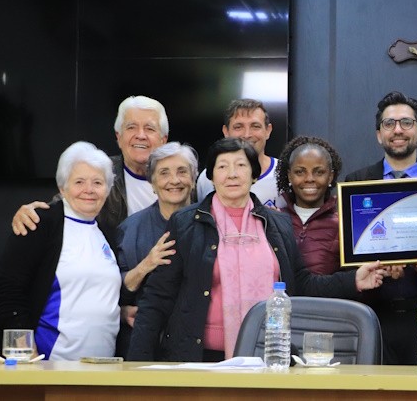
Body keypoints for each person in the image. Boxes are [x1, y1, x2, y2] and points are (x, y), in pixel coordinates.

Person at [127, 137, 384, 362]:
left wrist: (354, 280)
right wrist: (137, 365)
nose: (232, 174)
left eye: (241, 165)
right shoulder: (185, 223)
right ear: (211, 176)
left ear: (254, 175)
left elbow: (302, 284)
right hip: (201, 358)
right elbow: (158, 297)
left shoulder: (278, 223)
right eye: (222, 167)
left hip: (269, 355)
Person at [0, 141, 120, 360]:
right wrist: (24, 347)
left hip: (102, 365)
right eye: (79, 182)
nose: (89, 190)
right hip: (49, 363)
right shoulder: (39, 223)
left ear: (107, 190)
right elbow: (7, 288)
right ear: (62, 187)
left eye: (98, 182)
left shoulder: (107, 233)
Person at [343, 91, 417, 365]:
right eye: (389, 123)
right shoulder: (356, 183)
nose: (398, 130)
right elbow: (347, 253)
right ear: (379, 134)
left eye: (406, 123)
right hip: (369, 315)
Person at [10, 95, 170, 242]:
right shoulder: (99, 170)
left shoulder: (179, 178)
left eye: (150, 128)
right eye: (131, 127)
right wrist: (33, 213)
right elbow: (64, 202)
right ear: (119, 137)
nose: (140, 135)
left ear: (163, 139)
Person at [113, 142, 198, 356]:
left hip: (197, 343)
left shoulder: (211, 223)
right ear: (152, 182)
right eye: (164, 173)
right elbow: (113, 290)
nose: (174, 180)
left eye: (182, 171)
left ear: (194, 179)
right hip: (143, 341)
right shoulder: (130, 229)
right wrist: (146, 265)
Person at [195, 99, 285, 208]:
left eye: (255, 126)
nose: (247, 135)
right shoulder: (207, 178)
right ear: (226, 132)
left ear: (268, 130)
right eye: (238, 127)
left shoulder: (285, 174)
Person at [276, 136, 342, 275]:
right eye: (300, 172)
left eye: (319, 172)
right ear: (289, 176)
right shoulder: (274, 220)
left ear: (330, 177)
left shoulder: (343, 224)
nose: (309, 179)